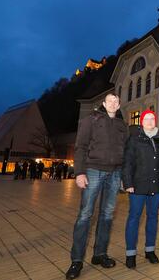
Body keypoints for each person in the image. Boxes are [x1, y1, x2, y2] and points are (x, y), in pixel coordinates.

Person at [66, 93, 129, 280]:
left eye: (116, 101)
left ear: (118, 105)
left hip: (115, 173)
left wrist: (124, 177)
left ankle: (99, 254)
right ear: (104, 103)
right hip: (93, 170)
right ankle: (76, 260)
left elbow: (125, 152)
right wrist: (79, 172)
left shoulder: (121, 125)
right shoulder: (91, 119)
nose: (113, 103)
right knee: (85, 215)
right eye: (110, 100)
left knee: (107, 215)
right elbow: (81, 146)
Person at [122, 110, 159, 269]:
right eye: (147, 119)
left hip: (157, 186)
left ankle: (150, 250)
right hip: (137, 186)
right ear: (142, 122)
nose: (150, 121)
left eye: (152, 118)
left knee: (153, 217)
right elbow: (127, 163)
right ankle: (130, 253)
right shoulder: (134, 139)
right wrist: (128, 182)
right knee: (134, 218)